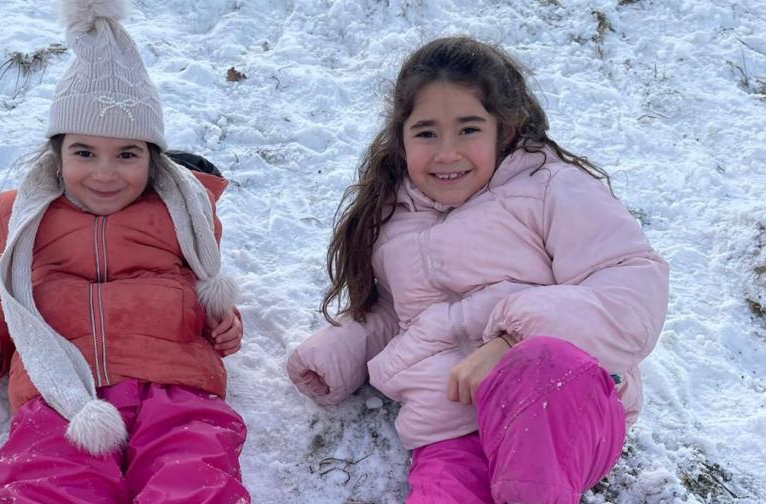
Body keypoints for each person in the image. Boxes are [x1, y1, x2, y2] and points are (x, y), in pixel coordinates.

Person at [286, 36, 669, 504]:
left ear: (503, 130)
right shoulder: (393, 222)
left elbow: (629, 287)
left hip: (553, 409)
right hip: (450, 423)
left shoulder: (552, 189)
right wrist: (339, 350)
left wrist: (512, 341)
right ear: (401, 139)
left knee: (543, 368)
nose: (447, 152)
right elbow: (396, 312)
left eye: (468, 129)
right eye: (426, 133)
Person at [0, 1, 248, 502]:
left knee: (193, 474)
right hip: (62, 389)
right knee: (50, 479)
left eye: (127, 154)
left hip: (173, 385)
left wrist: (223, 318)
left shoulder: (181, 212)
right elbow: (14, 298)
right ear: (57, 153)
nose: (105, 174)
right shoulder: (23, 219)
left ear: (154, 159)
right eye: (84, 152)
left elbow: (196, 281)